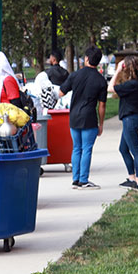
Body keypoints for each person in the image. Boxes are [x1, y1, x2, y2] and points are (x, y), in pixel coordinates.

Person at [57, 45, 107, 189]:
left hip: (74, 116)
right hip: (89, 118)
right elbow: (102, 105)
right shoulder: (100, 80)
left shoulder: (75, 75)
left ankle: (75, 179)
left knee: (76, 148)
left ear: (86, 59)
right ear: (97, 62)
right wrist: (101, 124)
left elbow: (61, 92)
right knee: (87, 149)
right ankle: (84, 180)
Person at [108, 55, 138, 190]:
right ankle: (132, 178)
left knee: (135, 151)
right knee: (123, 149)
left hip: (131, 119)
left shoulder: (132, 84)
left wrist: (118, 70)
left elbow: (110, 87)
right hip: (132, 118)